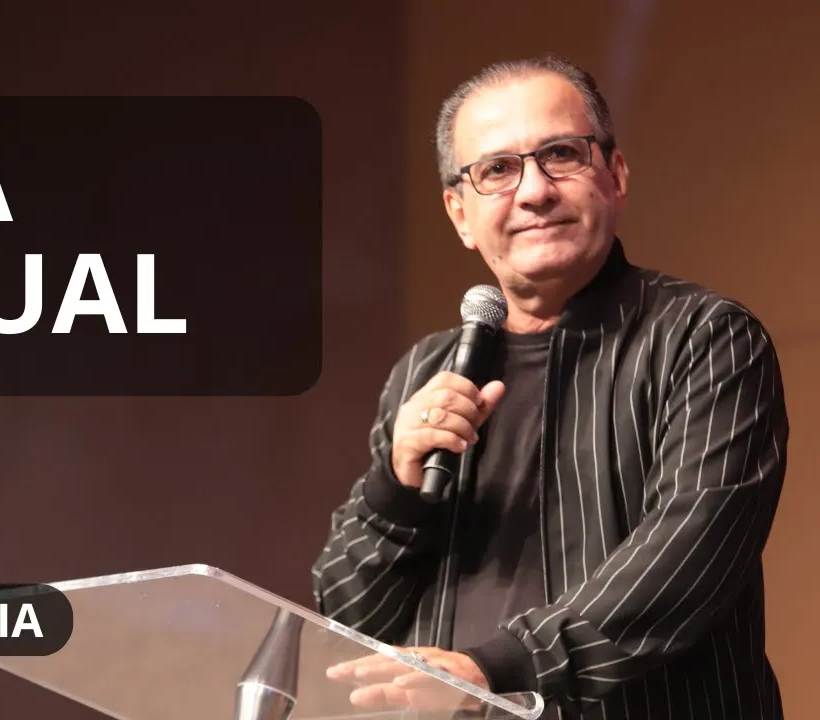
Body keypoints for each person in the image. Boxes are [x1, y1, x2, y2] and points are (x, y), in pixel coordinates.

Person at [312, 55, 788, 719]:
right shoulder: (424, 372)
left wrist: (493, 669)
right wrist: (395, 488)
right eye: (497, 170)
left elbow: (689, 559)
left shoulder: (703, 338)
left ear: (615, 177)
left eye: (561, 154)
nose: (534, 191)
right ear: (459, 214)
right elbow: (347, 616)